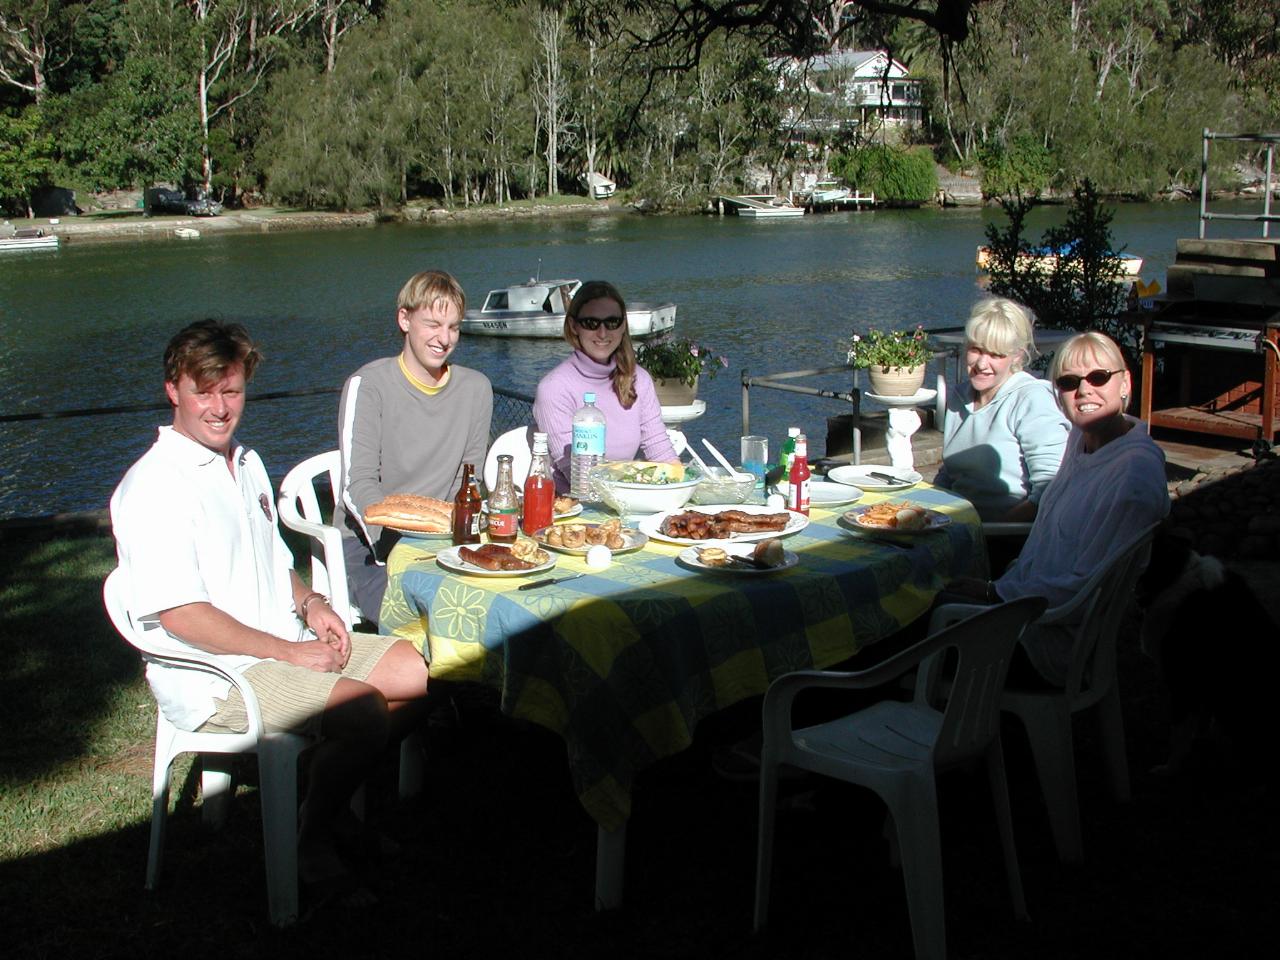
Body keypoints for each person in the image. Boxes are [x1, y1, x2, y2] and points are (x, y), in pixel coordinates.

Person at [110, 320, 429, 899]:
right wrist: (288, 652)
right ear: (172, 390)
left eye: (230, 391)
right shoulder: (155, 486)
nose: (218, 407)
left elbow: (272, 560)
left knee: (415, 675)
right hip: (218, 676)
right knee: (364, 713)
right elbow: (182, 616)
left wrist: (311, 603)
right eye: (203, 391)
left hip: (279, 642)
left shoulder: (246, 462)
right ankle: (312, 839)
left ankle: (322, 801)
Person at [945, 331, 1170, 684]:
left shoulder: (1132, 475)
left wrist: (995, 593)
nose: (1084, 391)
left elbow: (1083, 590)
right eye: (1068, 382)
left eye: (1098, 377)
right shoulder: (1083, 441)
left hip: (1047, 641)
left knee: (907, 633)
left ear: (1125, 382)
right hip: (1023, 607)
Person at [334, 270, 493, 621]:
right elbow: (357, 484)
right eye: (433, 324)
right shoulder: (369, 385)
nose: (444, 338)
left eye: (453, 327)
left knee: (488, 608)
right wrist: (399, 541)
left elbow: (469, 477)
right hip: (371, 543)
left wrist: (447, 536)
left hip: (441, 537)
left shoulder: (476, 388)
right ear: (404, 319)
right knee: (422, 619)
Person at [933, 297, 1070, 522]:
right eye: (976, 350)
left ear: (1017, 355)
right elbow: (951, 474)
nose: (982, 364)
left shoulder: (1031, 399)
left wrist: (993, 529)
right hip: (958, 526)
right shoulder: (960, 396)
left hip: (1009, 535)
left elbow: (1051, 489)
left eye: (996, 354)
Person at [533, 280, 677, 491]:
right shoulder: (554, 388)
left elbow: (660, 449)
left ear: (623, 325)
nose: (602, 333)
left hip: (627, 495)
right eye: (591, 323)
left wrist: (680, 487)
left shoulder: (640, 379)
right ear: (574, 326)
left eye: (612, 322)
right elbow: (576, 475)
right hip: (576, 505)